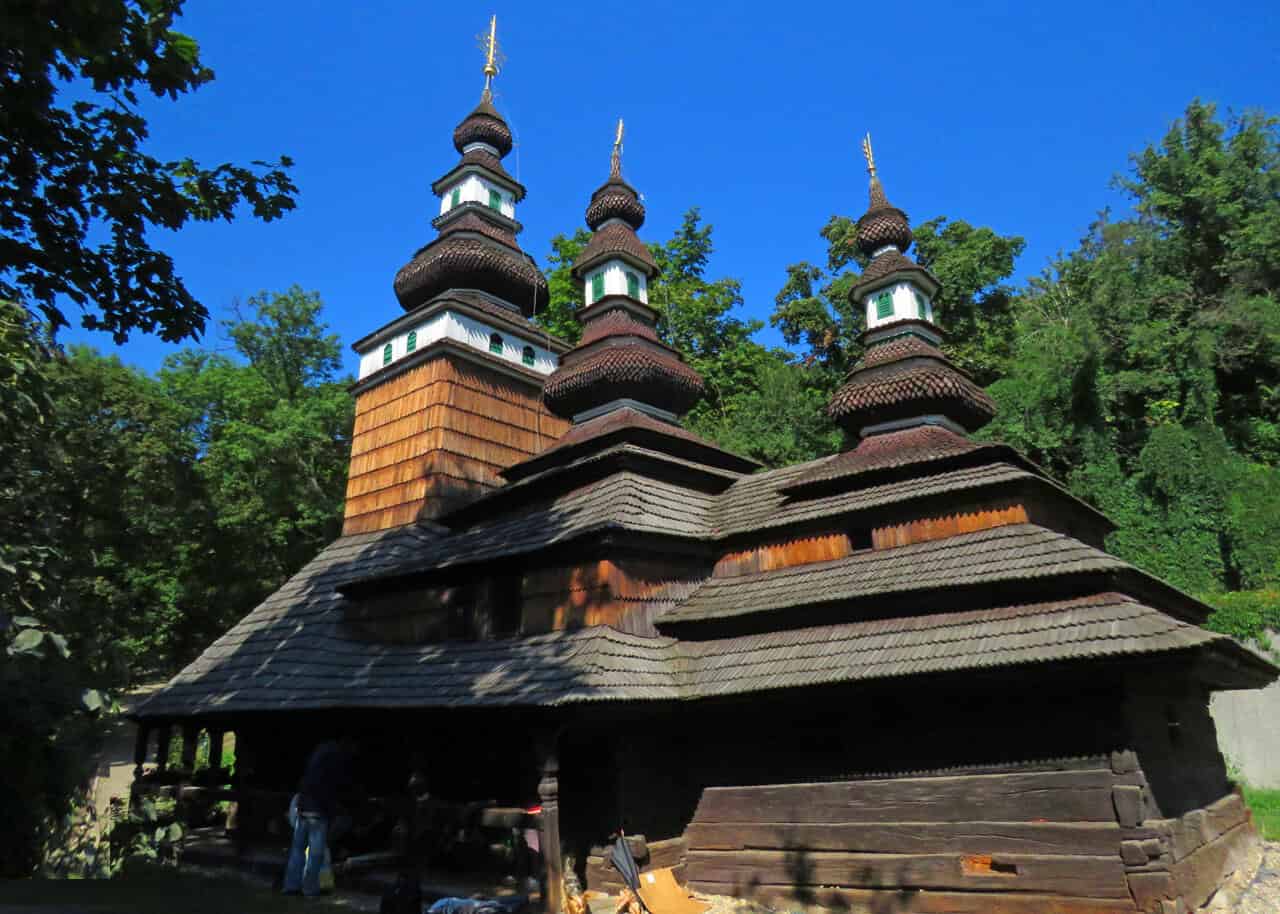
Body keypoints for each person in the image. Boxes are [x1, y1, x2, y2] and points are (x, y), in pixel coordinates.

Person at [282, 736, 357, 896]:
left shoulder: (319, 753)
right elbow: (329, 788)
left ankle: (291, 886)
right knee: (316, 854)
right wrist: (333, 811)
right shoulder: (334, 759)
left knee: (298, 850)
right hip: (317, 811)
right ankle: (310, 889)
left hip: (303, 806)